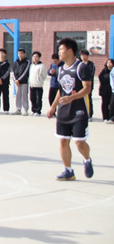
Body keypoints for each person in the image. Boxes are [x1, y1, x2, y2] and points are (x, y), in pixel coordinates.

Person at [47, 38, 94, 181]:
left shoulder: (81, 67)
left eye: (61, 49)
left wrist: (71, 98)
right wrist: (53, 107)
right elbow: (61, 91)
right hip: (63, 112)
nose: (59, 52)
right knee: (63, 141)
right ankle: (68, 171)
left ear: (70, 51)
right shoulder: (60, 69)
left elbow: (87, 88)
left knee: (79, 142)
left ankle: (87, 160)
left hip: (79, 111)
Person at [12, 48, 31, 116]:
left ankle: (25, 110)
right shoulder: (16, 62)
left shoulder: (27, 62)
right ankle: (18, 109)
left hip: (24, 81)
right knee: (17, 95)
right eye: (19, 53)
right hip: (17, 82)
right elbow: (13, 71)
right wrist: (15, 80)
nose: (20, 55)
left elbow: (26, 71)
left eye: (22, 53)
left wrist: (19, 80)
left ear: (24, 54)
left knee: (24, 96)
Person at [28, 51, 48, 116]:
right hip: (32, 85)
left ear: (39, 57)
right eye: (34, 57)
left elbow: (44, 75)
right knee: (32, 98)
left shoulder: (42, 66)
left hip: (38, 85)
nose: (35, 58)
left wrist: (40, 80)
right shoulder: (31, 65)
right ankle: (33, 110)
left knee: (38, 99)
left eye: (36, 56)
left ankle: (38, 111)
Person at [79, 49, 95, 121]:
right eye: (82, 55)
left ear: (88, 56)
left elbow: (90, 74)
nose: (84, 57)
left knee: (88, 99)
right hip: (80, 85)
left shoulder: (91, 64)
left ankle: (89, 114)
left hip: (88, 85)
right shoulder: (79, 64)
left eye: (85, 55)